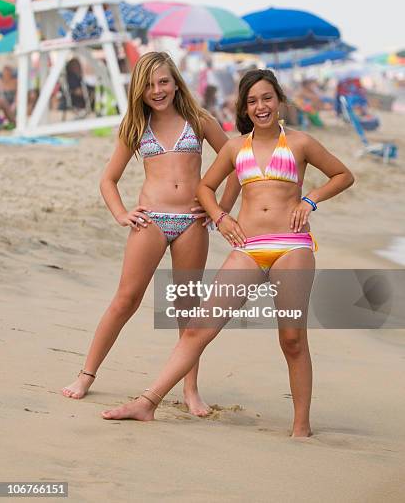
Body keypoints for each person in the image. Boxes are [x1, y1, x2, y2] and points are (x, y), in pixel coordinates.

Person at [101, 69, 354, 436]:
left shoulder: (300, 143)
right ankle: (147, 402)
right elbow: (205, 186)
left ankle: (301, 426)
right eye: (252, 101)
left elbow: (343, 175)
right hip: (248, 248)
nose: (260, 106)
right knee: (197, 330)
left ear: (279, 100)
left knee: (292, 339)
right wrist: (221, 217)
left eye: (267, 98)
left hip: (291, 246)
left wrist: (310, 201)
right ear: (244, 108)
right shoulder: (237, 147)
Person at [62, 52, 240, 416]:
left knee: (187, 309)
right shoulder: (135, 126)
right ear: (138, 90)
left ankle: (190, 391)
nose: (156, 90)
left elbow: (237, 163)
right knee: (126, 300)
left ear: (176, 82)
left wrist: (219, 210)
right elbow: (108, 179)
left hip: (192, 222)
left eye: (163, 82)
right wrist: (121, 214)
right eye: (148, 84)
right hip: (151, 220)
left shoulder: (199, 121)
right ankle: (85, 375)